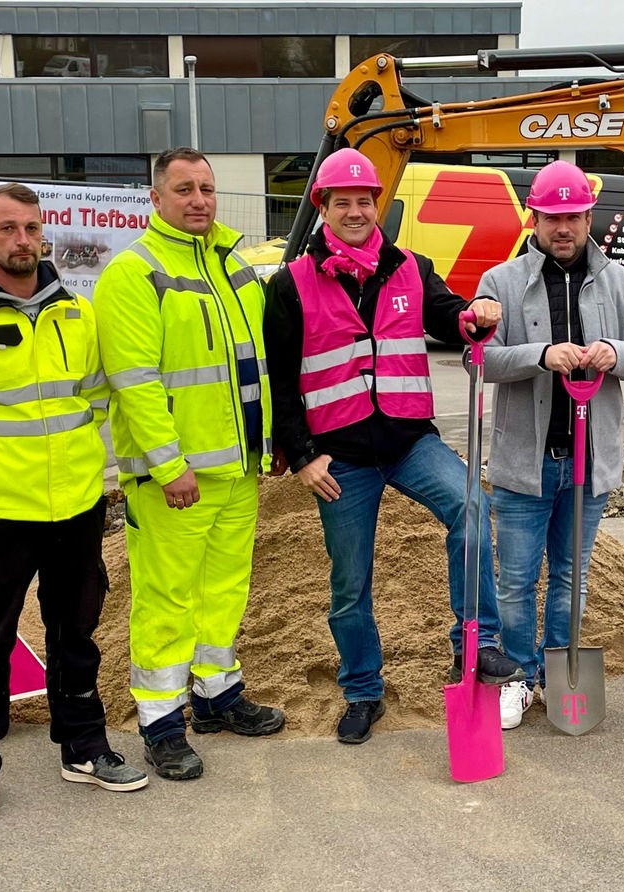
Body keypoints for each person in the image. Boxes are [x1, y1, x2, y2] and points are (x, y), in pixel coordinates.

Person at [263, 147, 525, 745]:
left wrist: (472, 314)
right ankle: (362, 690)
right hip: (341, 460)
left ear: (377, 205)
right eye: (343, 202)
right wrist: (302, 456)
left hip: (409, 442)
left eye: (365, 201)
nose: (356, 212)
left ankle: (476, 646)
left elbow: (444, 314)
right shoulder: (289, 285)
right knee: (349, 585)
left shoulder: (410, 265)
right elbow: (280, 380)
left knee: (472, 508)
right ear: (322, 207)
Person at [0, 182, 148, 827]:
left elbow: (96, 398)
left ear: (44, 235)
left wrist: (70, 466)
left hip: (75, 506)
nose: (22, 240)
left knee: (77, 635)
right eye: (7, 228)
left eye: (32, 228)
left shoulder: (79, 315)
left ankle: (85, 748)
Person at [93, 147, 285, 781]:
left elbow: (254, 368)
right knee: (165, 597)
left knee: (223, 590)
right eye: (184, 189)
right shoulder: (133, 273)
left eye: (206, 188)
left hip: (238, 470)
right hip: (177, 478)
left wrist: (271, 440)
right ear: (155, 199)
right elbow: (135, 382)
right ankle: (161, 722)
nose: (199, 199)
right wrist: (168, 465)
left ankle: (215, 695)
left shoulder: (233, 265)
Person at [479, 160, 624, 730]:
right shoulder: (501, 283)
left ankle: (556, 673)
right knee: (514, 581)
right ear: (534, 217)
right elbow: (477, 360)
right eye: (553, 216)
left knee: (570, 577)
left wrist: (613, 351)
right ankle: (516, 677)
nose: (564, 227)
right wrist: (540, 355)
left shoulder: (620, 283)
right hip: (522, 466)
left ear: (589, 217)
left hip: (588, 463)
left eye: (575, 216)